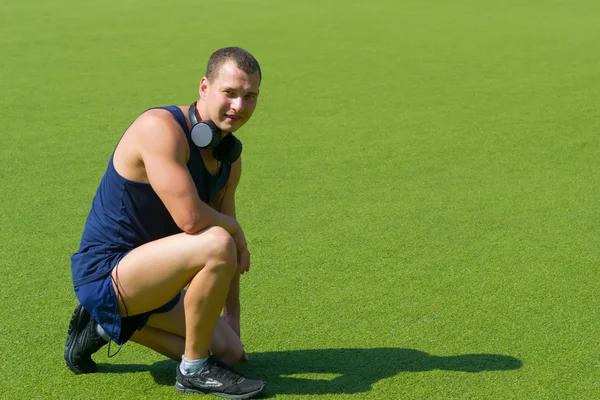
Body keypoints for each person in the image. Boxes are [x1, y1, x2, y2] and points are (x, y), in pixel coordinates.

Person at [64, 46, 265, 399]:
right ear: (204, 87)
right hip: (108, 272)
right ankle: (193, 370)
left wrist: (233, 318)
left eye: (250, 97)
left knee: (230, 354)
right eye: (230, 93)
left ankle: (101, 327)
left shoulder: (229, 159)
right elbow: (193, 221)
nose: (239, 106)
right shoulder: (159, 128)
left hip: (158, 280)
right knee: (215, 241)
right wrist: (236, 233)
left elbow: (228, 239)